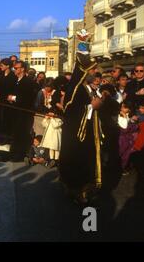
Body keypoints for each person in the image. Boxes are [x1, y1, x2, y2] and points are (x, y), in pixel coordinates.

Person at [59, 36, 104, 205]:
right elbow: (70, 109)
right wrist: (91, 106)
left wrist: (96, 103)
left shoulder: (87, 88)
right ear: (85, 72)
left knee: (87, 159)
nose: (94, 72)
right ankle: (76, 190)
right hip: (77, 135)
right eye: (92, 70)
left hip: (88, 134)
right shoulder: (76, 89)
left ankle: (86, 188)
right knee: (77, 160)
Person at [7, 61, 37, 161]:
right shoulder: (16, 81)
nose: (14, 69)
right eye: (14, 68)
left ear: (22, 69)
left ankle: (19, 154)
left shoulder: (28, 81)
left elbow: (28, 98)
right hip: (15, 112)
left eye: (16, 68)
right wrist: (10, 98)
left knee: (22, 133)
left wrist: (14, 98)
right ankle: (14, 153)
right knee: (15, 133)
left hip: (24, 113)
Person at [118, 101, 138, 174]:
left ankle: (125, 167)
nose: (121, 108)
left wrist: (130, 119)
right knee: (122, 154)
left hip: (127, 139)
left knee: (127, 155)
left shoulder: (128, 115)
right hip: (122, 139)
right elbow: (124, 126)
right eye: (122, 106)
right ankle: (121, 169)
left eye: (124, 107)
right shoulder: (120, 116)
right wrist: (125, 116)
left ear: (129, 109)